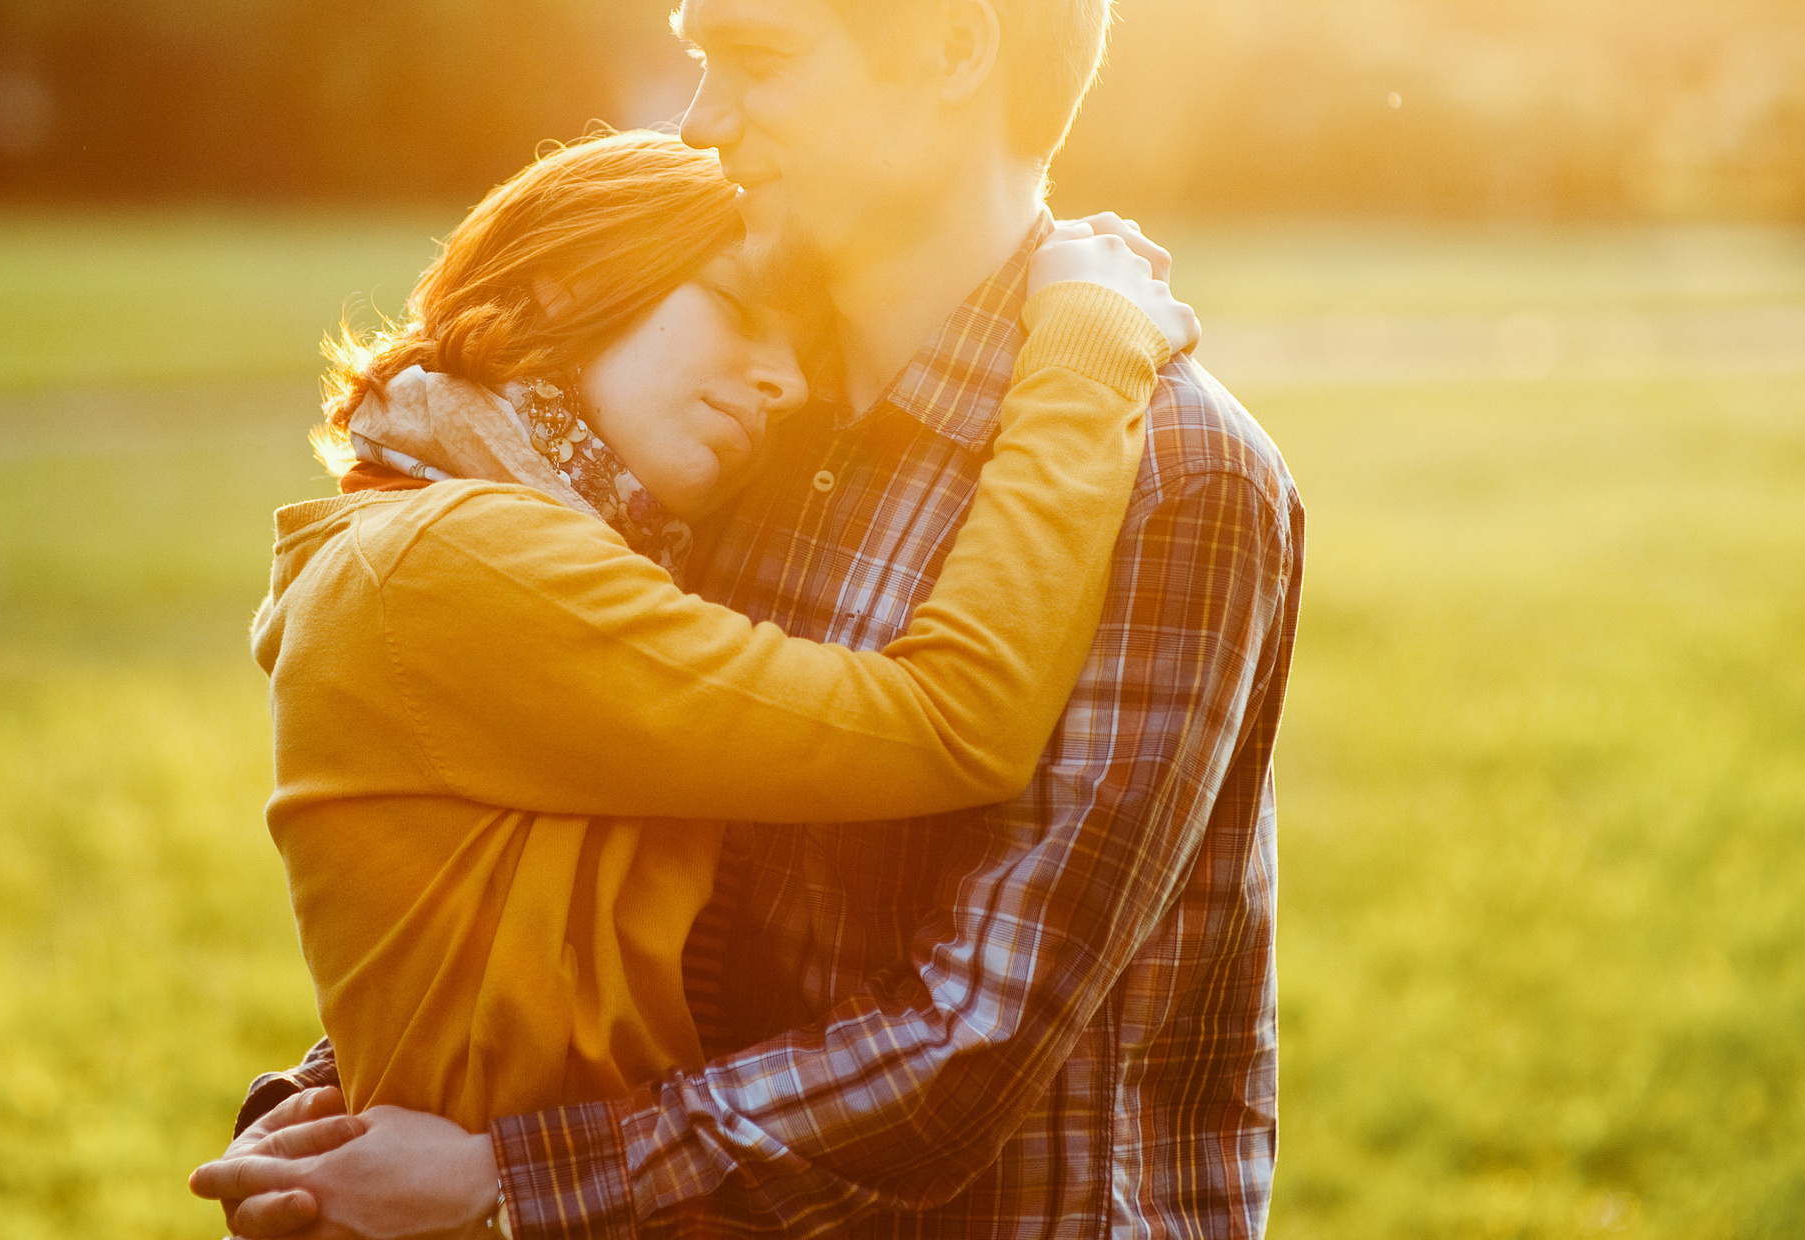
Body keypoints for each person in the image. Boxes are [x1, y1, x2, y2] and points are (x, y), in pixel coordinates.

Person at [196, 0, 1304, 1240]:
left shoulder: (1175, 469)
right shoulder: (728, 432)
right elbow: (590, 859)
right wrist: (358, 1098)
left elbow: (969, 1042)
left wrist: (504, 1181)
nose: (704, 120)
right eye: (699, 56)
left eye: (759, 59)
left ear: (953, 51)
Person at [253, 126, 1189, 1138]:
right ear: (562, 288)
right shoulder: (460, 561)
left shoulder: (459, 532)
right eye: (742, 309)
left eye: (806, 358)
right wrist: (1087, 346)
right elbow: (951, 724)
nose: (785, 386)